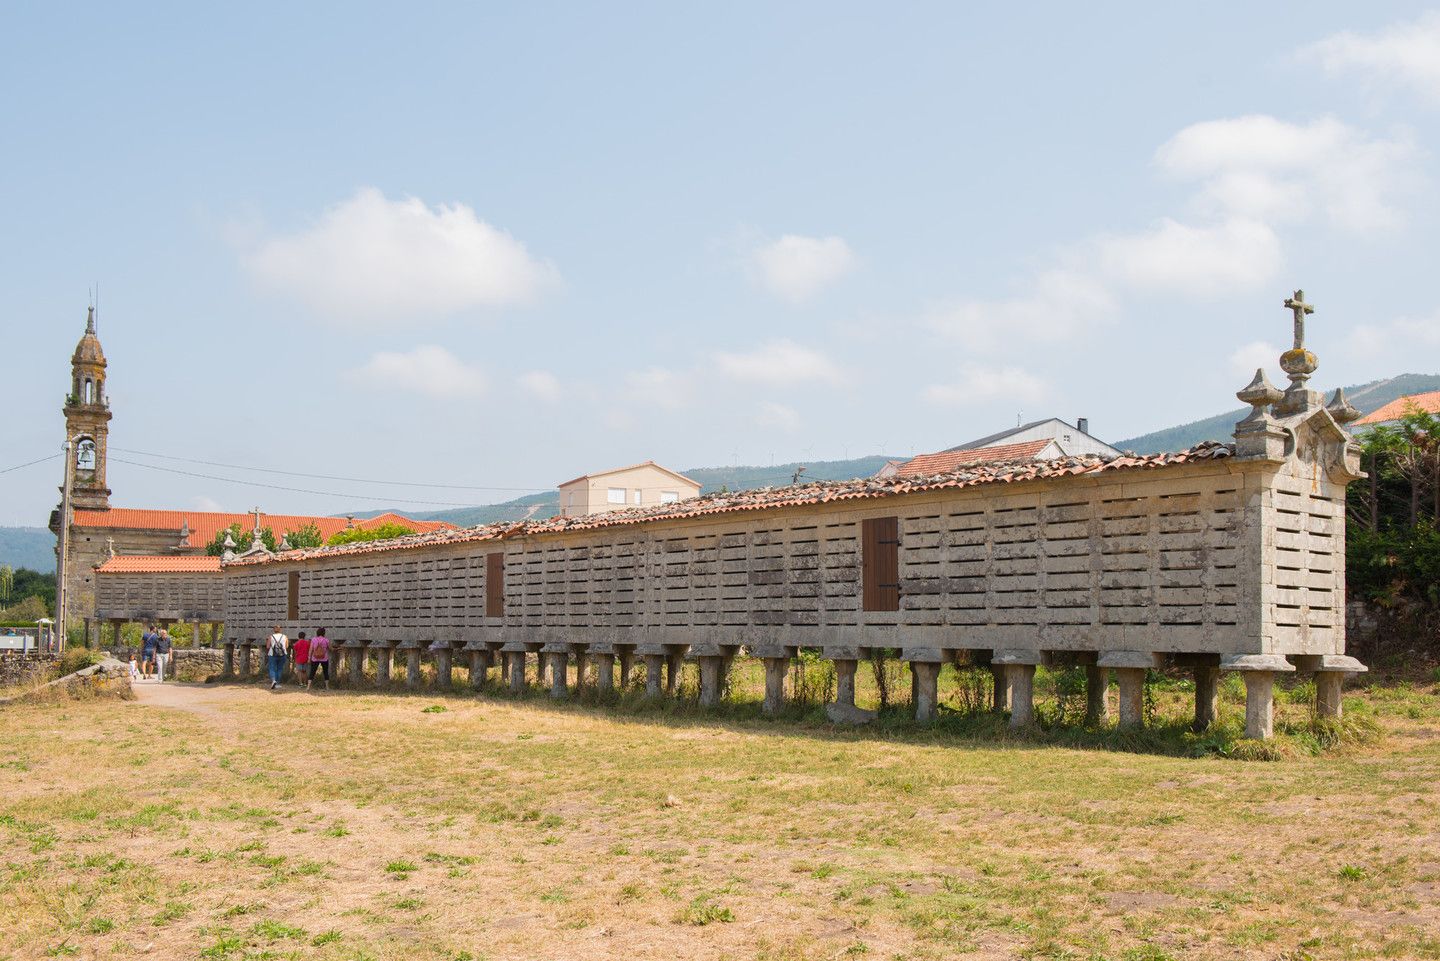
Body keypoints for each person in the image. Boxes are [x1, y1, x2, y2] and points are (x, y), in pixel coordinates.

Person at [265, 626, 288, 690]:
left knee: (272, 668)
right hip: (282, 654)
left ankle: (273, 680)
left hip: (272, 654)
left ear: (274, 630)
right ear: (280, 630)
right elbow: (286, 646)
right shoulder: (285, 636)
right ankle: (277, 683)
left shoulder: (271, 636)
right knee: (279, 669)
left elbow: (267, 646)